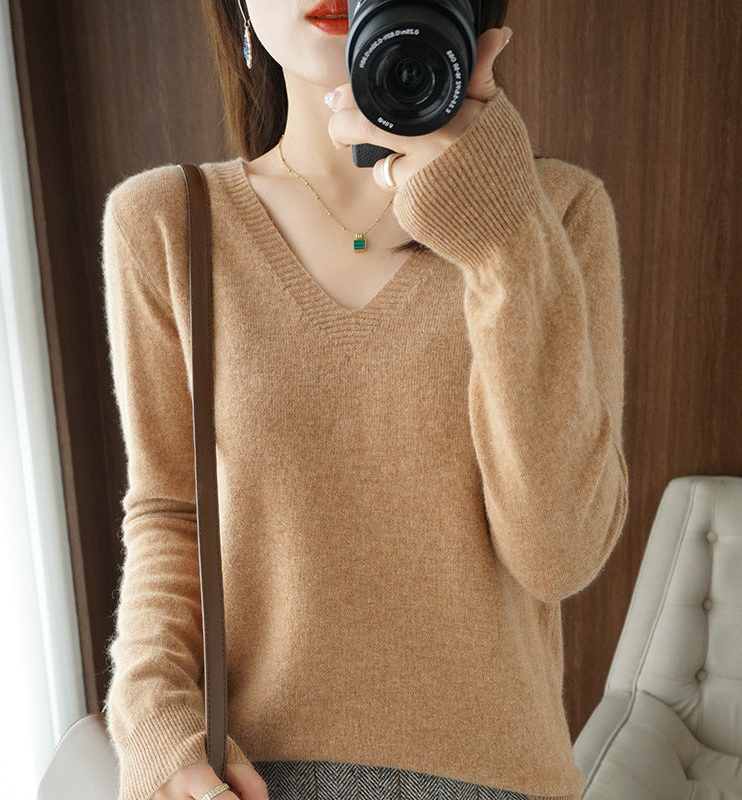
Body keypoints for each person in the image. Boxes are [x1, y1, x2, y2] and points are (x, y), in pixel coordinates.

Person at [100, 1, 629, 800]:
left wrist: (500, 240)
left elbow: (558, 554)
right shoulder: (165, 222)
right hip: (250, 776)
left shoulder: (552, 212)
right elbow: (172, 513)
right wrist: (152, 720)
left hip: (497, 779)